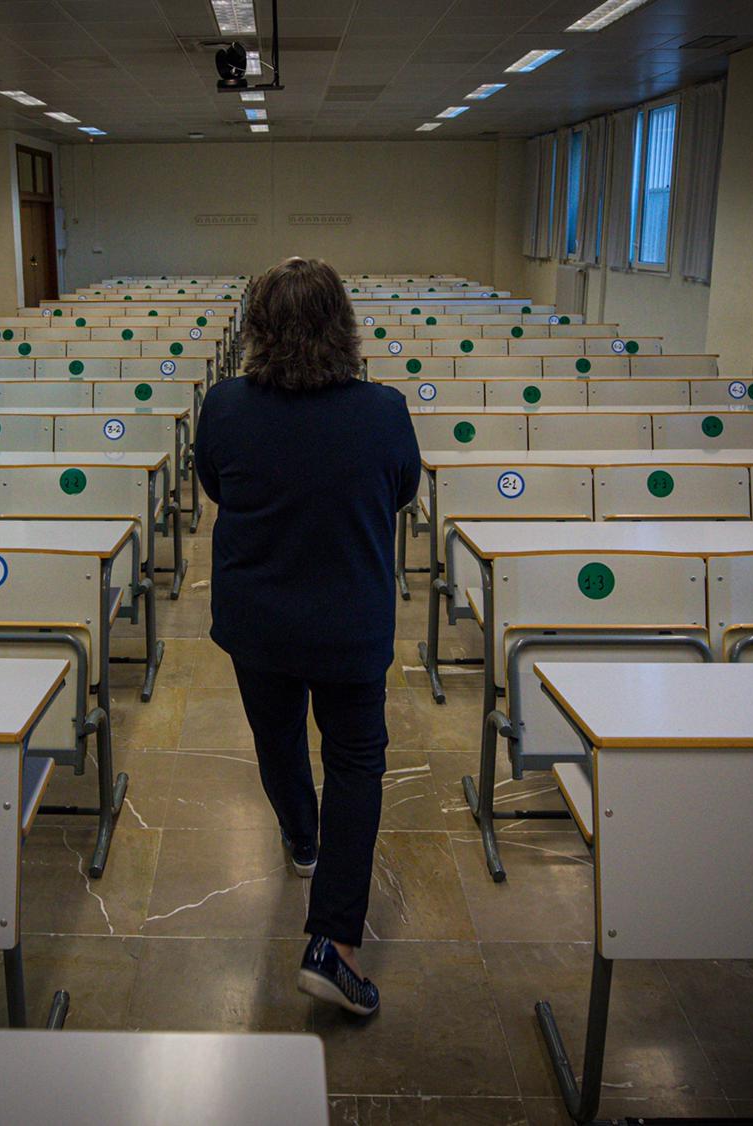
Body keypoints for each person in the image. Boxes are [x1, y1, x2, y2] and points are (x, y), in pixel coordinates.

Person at [194, 257, 421, 1017]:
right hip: (351, 622)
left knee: (278, 737)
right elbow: (402, 491)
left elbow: (217, 486)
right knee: (355, 766)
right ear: (344, 328)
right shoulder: (384, 410)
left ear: (257, 327)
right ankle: (334, 944)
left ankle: (300, 838)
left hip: (259, 619)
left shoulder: (225, 407)